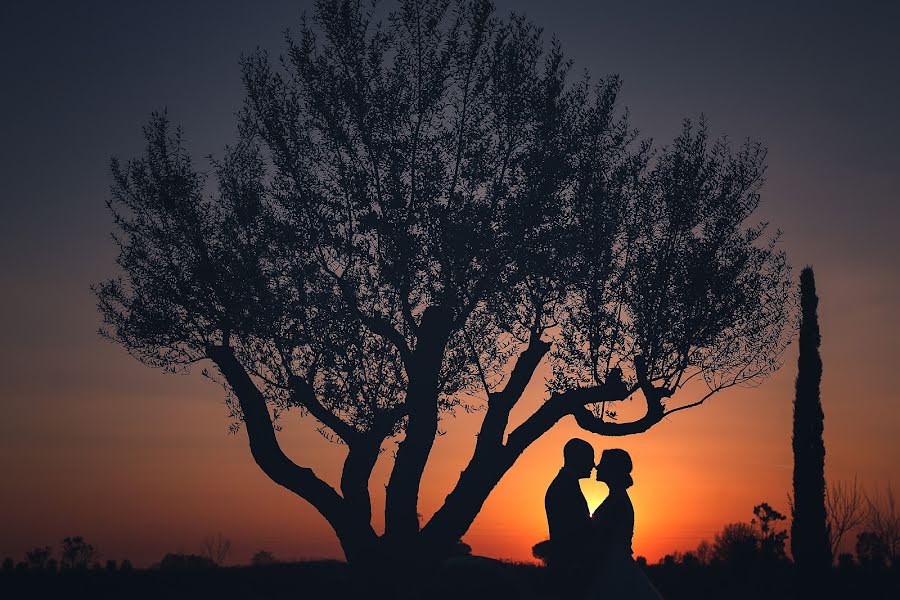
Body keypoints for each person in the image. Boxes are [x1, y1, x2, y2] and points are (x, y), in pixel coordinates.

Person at [587, 448, 663, 600]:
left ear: (612, 470)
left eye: (602, 464)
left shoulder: (617, 501)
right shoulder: (617, 498)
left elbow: (601, 538)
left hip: (614, 570)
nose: (597, 467)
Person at [544, 438, 595, 598]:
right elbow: (574, 531)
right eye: (589, 459)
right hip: (568, 569)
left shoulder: (566, 484)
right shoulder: (563, 487)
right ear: (577, 459)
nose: (593, 465)